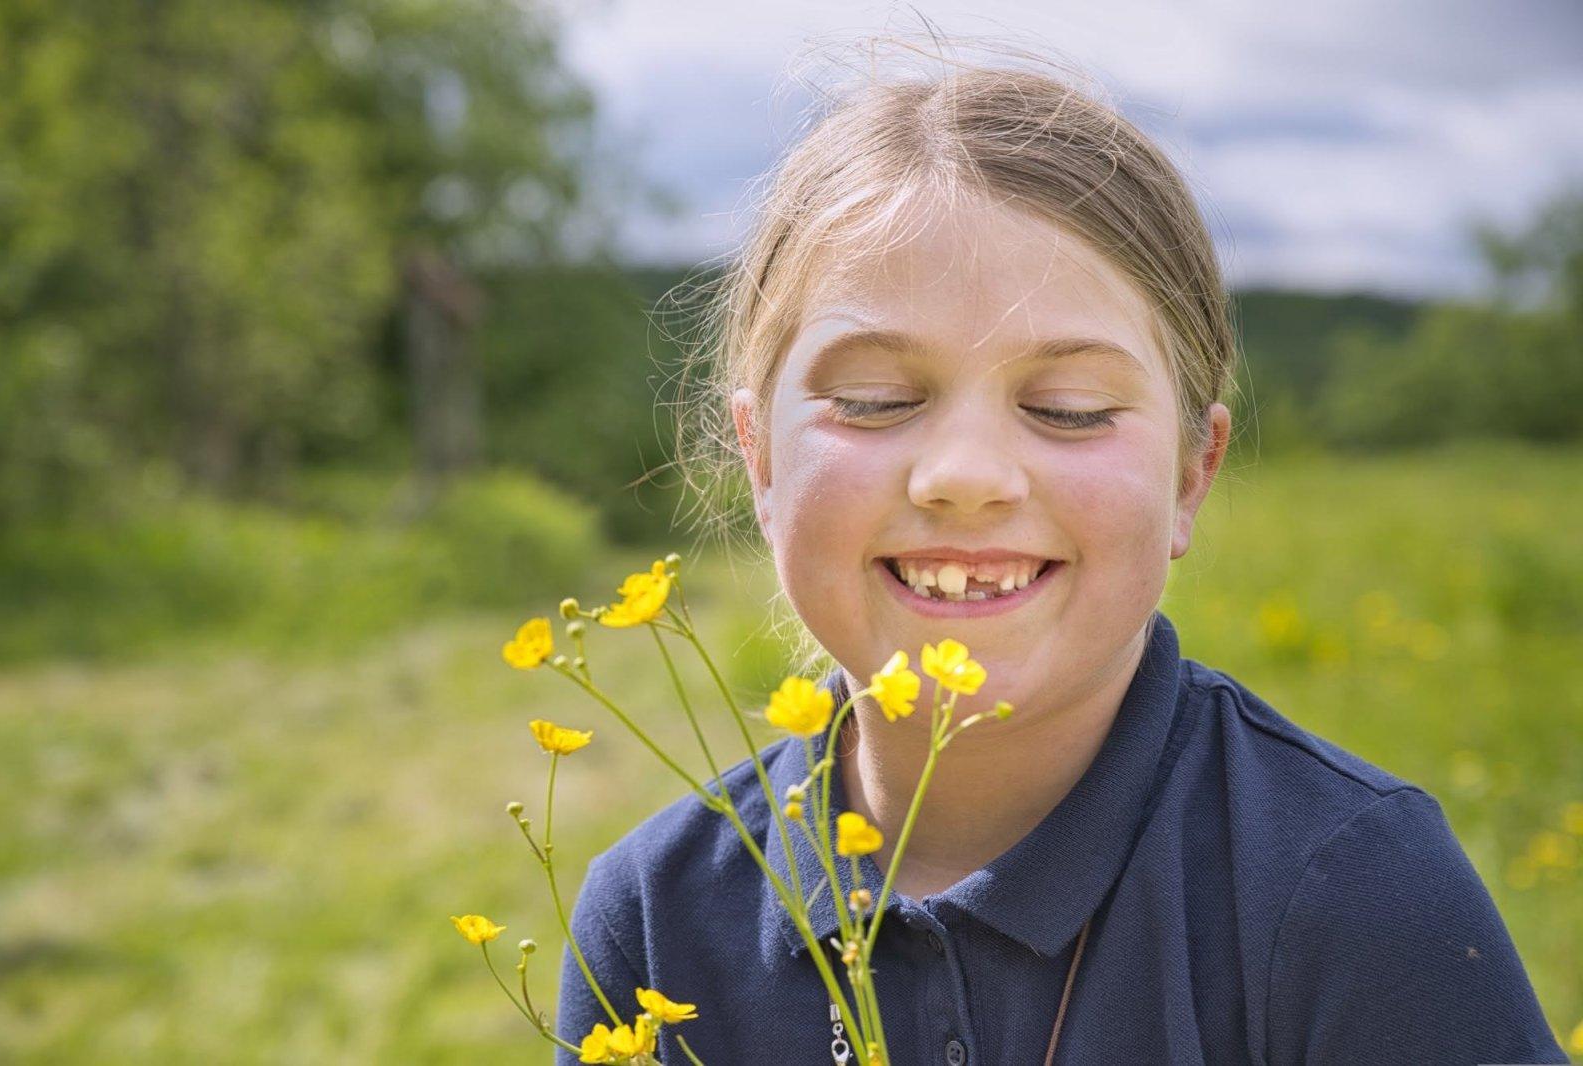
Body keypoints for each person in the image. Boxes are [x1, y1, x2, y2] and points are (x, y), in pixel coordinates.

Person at [553, 39, 1567, 1066]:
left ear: (1189, 472)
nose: (965, 473)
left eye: (1068, 410)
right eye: (874, 401)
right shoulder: (651, 918)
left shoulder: (1354, 892)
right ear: (758, 458)